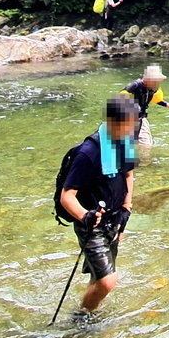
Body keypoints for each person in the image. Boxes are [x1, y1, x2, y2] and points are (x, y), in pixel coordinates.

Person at [59, 95, 138, 314]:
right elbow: (67, 196)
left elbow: (129, 174)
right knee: (108, 281)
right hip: (91, 224)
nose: (131, 131)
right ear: (113, 122)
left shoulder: (126, 143)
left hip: (115, 219)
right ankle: (81, 316)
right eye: (128, 125)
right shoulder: (88, 153)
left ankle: (89, 310)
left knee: (100, 276)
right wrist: (85, 216)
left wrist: (127, 207)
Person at [119, 64, 169, 151]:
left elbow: (156, 99)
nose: (157, 83)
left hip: (141, 119)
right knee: (131, 145)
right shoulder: (134, 87)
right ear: (147, 79)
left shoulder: (154, 88)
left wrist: (168, 105)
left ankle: (144, 160)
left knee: (146, 144)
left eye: (158, 81)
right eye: (155, 80)